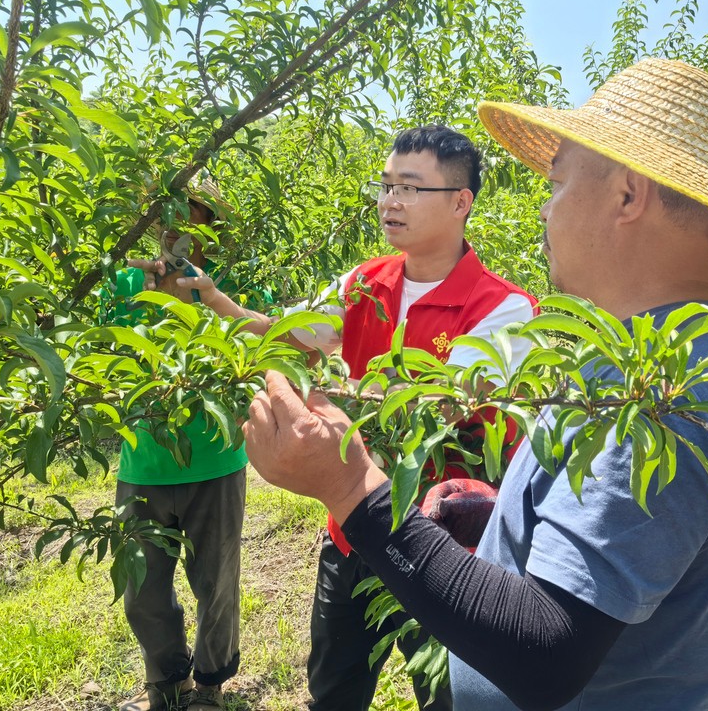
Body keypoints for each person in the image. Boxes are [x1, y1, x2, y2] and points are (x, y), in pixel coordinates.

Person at [239, 58, 708, 710]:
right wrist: (506, 524)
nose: (543, 203)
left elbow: (548, 653)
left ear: (626, 195)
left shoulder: (659, 390)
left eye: (558, 183)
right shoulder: (654, 351)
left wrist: (349, 487)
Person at [133, 125, 537, 710]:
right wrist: (214, 302)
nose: (391, 201)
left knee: (447, 696)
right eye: (386, 185)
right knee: (333, 688)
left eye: (410, 188)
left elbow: (444, 401)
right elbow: (293, 336)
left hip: (447, 546)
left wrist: (336, 386)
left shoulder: (504, 307)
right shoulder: (363, 283)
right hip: (352, 530)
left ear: (460, 201)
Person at [106, 179, 269, 711]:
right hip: (143, 464)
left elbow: (264, 343)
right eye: (165, 218)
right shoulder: (125, 286)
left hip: (216, 460)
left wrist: (210, 299)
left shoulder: (235, 284)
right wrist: (148, 296)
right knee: (142, 591)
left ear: (209, 227)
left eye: (188, 216)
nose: (174, 229)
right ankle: (166, 677)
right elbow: (98, 353)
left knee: (216, 585)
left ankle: (210, 683)